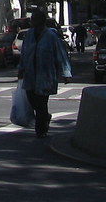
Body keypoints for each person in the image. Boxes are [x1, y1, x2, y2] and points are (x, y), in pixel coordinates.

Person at [17, 8, 71, 138]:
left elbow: (60, 55)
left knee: (41, 104)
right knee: (32, 101)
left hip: (45, 76)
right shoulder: (29, 35)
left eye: (34, 19)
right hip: (30, 75)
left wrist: (65, 73)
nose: (32, 22)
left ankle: (41, 130)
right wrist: (21, 69)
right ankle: (45, 117)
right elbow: (24, 53)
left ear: (41, 21)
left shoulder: (51, 36)